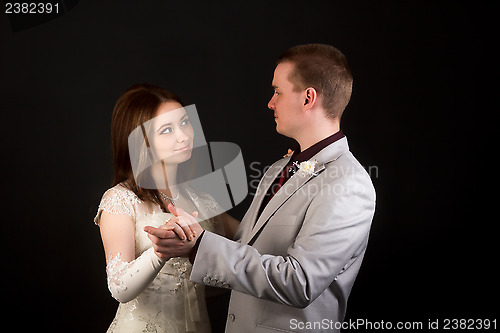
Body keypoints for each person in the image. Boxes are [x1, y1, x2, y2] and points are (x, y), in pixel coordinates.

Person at [145, 44, 376, 332]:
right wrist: (193, 227)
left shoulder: (348, 184)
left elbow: (299, 282)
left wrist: (199, 246)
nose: (270, 102)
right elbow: (248, 246)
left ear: (308, 98)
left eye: (278, 91)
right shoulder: (278, 168)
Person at [94, 84, 239, 333]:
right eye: (167, 130)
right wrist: (160, 253)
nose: (183, 135)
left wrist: (287, 186)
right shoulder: (120, 199)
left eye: (185, 122)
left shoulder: (203, 201)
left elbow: (252, 246)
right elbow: (118, 288)